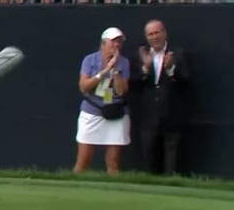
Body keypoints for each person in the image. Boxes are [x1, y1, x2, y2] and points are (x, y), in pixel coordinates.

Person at [134, 19, 191, 175]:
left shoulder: (177, 54)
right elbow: (134, 84)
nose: (154, 37)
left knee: (171, 163)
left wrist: (171, 68)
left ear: (164, 33)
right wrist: (145, 68)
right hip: (149, 118)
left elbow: (185, 81)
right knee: (150, 161)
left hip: (171, 116)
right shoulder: (141, 55)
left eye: (157, 32)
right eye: (150, 34)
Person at [74, 27, 131, 176]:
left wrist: (115, 69)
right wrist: (104, 72)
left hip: (115, 113)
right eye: (113, 42)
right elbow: (84, 87)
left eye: (119, 42)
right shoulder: (89, 60)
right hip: (92, 112)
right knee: (83, 161)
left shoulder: (124, 63)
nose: (116, 45)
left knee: (113, 163)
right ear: (103, 43)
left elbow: (121, 91)